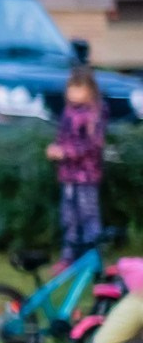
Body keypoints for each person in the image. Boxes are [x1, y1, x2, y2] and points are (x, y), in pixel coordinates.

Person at [49, 66, 106, 265]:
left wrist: (66, 152)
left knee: (88, 217)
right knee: (69, 218)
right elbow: (64, 137)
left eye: (78, 88)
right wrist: (56, 148)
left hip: (86, 177)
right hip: (68, 176)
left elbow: (92, 145)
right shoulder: (68, 112)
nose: (73, 93)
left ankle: (93, 259)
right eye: (71, 88)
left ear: (89, 89)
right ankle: (69, 257)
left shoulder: (94, 114)